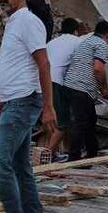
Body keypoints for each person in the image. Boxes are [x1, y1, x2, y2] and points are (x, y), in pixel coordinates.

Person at [0, 0, 57, 213]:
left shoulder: (28, 21)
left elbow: (44, 64)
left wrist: (49, 107)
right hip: (13, 102)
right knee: (21, 167)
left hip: (24, 102)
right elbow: (16, 66)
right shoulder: (13, 23)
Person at [62, 20, 108, 160]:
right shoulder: (100, 44)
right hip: (82, 87)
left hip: (72, 84)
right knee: (81, 123)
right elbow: (98, 69)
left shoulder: (86, 42)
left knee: (90, 120)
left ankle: (92, 153)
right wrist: (105, 88)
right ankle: (74, 157)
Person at [44, 17, 82, 161]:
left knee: (52, 120)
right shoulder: (77, 42)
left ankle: (53, 152)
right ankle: (46, 156)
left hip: (43, 81)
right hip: (57, 82)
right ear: (76, 31)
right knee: (63, 123)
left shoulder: (51, 43)